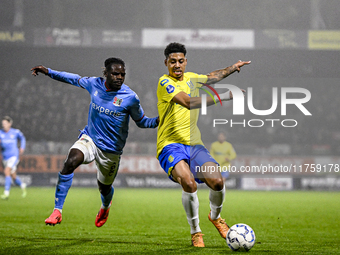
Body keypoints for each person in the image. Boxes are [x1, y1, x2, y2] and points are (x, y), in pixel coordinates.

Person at [31, 57, 158, 227]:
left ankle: (105, 206)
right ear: (105, 74)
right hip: (90, 139)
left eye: (122, 74)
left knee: (104, 188)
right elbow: (72, 78)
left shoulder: (130, 97)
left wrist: (158, 120)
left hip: (111, 151)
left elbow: (142, 122)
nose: (119, 77)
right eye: (115, 74)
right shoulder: (94, 84)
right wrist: (48, 71)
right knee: (71, 160)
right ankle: (57, 210)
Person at [156, 42, 250, 247]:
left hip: (194, 145)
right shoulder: (165, 83)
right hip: (170, 145)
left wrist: (232, 68)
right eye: (173, 62)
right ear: (166, 63)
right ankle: (195, 231)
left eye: (181, 61)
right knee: (188, 183)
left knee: (217, 181)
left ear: (186, 61)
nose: (177, 65)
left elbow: (213, 76)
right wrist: (224, 96)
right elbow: (188, 103)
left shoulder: (192, 79)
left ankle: (216, 217)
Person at [0, 116, 27, 199]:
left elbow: (22, 138)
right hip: (4, 157)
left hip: (14, 156)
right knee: (14, 177)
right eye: (2, 124)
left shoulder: (15, 132)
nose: (3, 125)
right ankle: (23, 185)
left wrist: (22, 147)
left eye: (5, 123)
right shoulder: (0, 133)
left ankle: (6, 193)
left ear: (9, 124)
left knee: (7, 171)